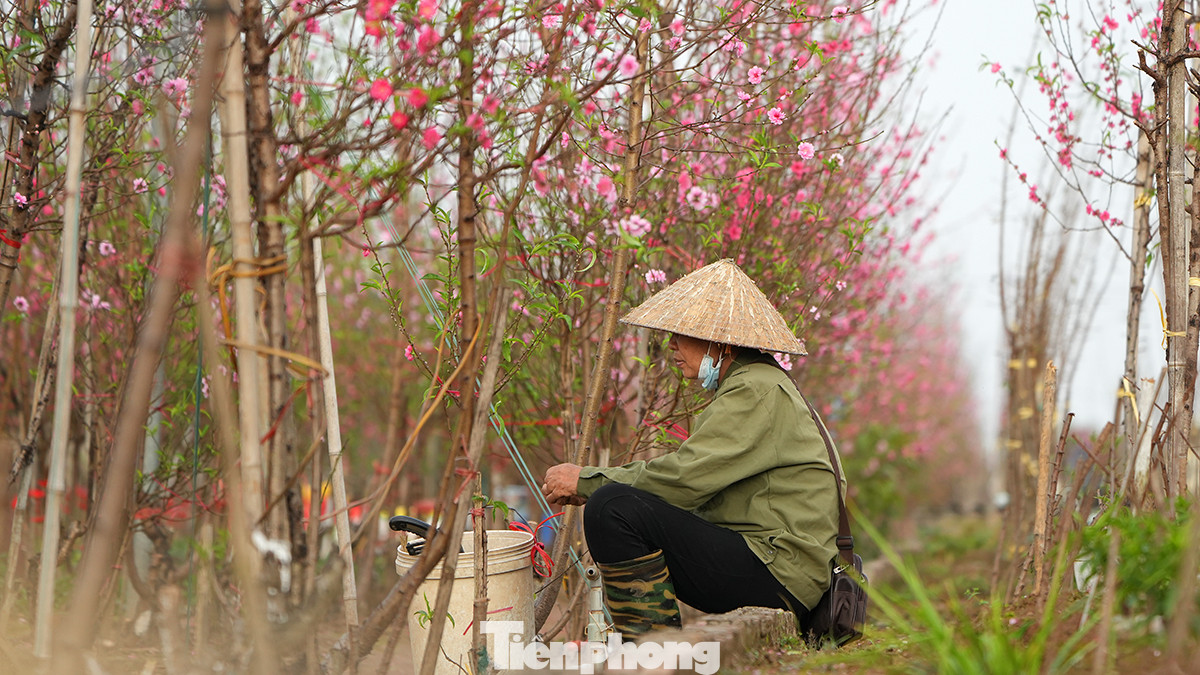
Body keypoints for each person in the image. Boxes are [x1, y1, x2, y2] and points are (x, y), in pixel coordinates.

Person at [541, 258, 844, 638]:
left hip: (778, 571)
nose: (671, 347)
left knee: (611, 508)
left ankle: (653, 656)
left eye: (681, 335)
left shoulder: (754, 389)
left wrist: (586, 481)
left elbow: (683, 479)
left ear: (718, 342)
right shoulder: (761, 383)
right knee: (620, 504)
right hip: (783, 566)